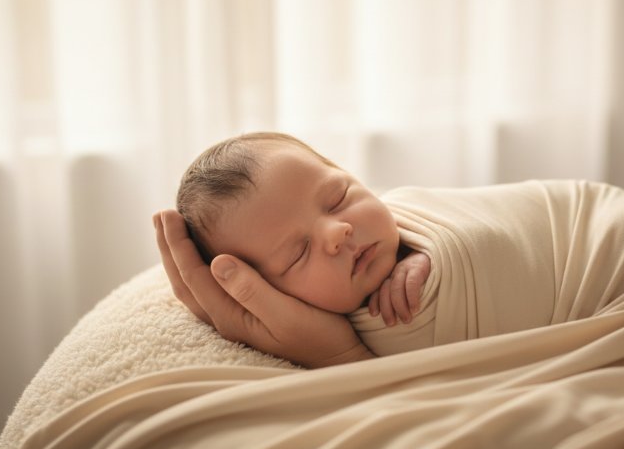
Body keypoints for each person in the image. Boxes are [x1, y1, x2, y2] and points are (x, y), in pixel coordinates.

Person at [154, 132, 431, 368]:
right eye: (299, 253)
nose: (336, 232)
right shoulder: (310, 336)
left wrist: (427, 249)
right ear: (270, 293)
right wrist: (340, 355)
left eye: (338, 198)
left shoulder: (418, 214)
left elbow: (464, 221)